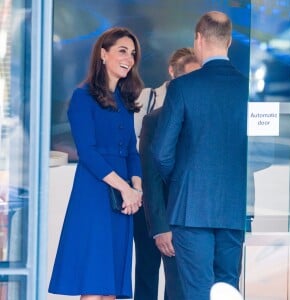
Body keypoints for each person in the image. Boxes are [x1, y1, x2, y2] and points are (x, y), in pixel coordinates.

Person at [151, 11, 249, 300]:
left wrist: (182, 179)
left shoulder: (183, 86)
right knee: (227, 289)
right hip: (233, 208)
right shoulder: (248, 88)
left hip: (191, 208)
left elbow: (160, 153)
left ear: (198, 39)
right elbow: (260, 150)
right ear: (229, 41)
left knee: (197, 292)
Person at [48, 27, 144, 300]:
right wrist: (125, 189)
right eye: (122, 51)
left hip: (122, 201)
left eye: (133, 53)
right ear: (103, 54)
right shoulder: (83, 97)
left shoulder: (125, 101)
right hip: (94, 195)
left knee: (111, 286)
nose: (129, 58)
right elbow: (88, 153)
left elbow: (132, 153)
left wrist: (136, 188)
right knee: (94, 283)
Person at [133, 48, 200, 300]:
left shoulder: (196, 106)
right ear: (173, 72)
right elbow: (137, 148)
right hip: (149, 200)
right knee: (147, 270)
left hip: (176, 205)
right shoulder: (147, 99)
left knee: (176, 278)